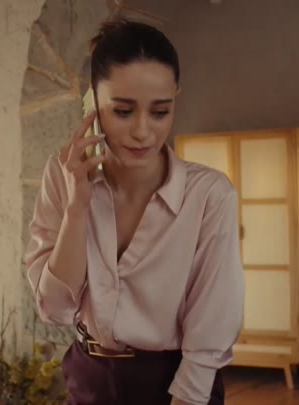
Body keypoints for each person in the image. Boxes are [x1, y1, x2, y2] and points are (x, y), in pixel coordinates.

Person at [24, 18, 244, 405]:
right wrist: (78, 206)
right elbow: (55, 309)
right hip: (88, 378)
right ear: (93, 102)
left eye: (160, 111)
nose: (143, 131)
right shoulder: (63, 176)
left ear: (175, 98)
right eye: (123, 111)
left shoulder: (209, 195)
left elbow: (210, 329)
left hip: (177, 383)